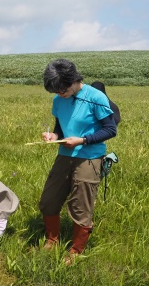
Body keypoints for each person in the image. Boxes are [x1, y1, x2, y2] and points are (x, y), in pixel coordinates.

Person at [39, 59, 117, 258]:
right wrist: (54, 136)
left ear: (73, 80)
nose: (59, 95)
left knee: (81, 205)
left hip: (89, 156)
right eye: (55, 92)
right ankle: (52, 240)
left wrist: (82, 140)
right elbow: (59, 125)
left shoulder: (95, 97)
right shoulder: (59, 99)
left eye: (62, 90)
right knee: (49, 199)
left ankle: (76, 250)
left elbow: (110, 129)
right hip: (64, 154)